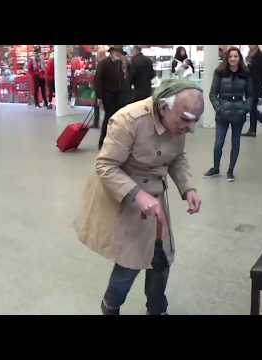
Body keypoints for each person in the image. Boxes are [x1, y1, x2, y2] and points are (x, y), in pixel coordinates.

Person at [74, 79, 204, 315]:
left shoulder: (178, 123)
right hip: (127, 197)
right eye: (185, 119)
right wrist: (138, 195)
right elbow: (105, 165)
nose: (190, 128)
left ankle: (156, 308)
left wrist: (188, 189)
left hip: (156, 201)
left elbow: (177, 157)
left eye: (194, 121)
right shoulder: (129, 120)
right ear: (164, 107)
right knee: (130, 264)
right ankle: (111, 306)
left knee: (161, 260)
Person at [203, 47, 252, 182]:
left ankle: (230, 170)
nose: (233, 59)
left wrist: (244, 109)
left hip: (239, 113)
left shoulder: (245, 73)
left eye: (235, 56)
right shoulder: (219, 72)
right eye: (230, 56)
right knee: (218, 143)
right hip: (222, 113)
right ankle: (215, 168)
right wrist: (219, 108)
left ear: (239, 58)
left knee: (235, 143)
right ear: (227, 58)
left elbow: (250, 96)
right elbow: (212, 94)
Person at [94, 46, 132, 149]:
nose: (119, 55)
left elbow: (126, 78)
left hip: (119, 95)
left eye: (120, 53)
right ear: (112, 52)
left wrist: (126, 65)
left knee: (118, 118)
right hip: (108, 95)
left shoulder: (120, 64)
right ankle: (102, 141)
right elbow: (97, 80)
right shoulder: (104, 63)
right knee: (108, 117)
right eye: (117, 53)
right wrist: (99, 97)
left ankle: (115, 141)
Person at [242, 45, 262, 137]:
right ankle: (252, 130)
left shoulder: (261, 56)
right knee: (252, 108)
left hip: (256, 85)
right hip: (249, 84)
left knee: (251, 108)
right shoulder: (249, 55)